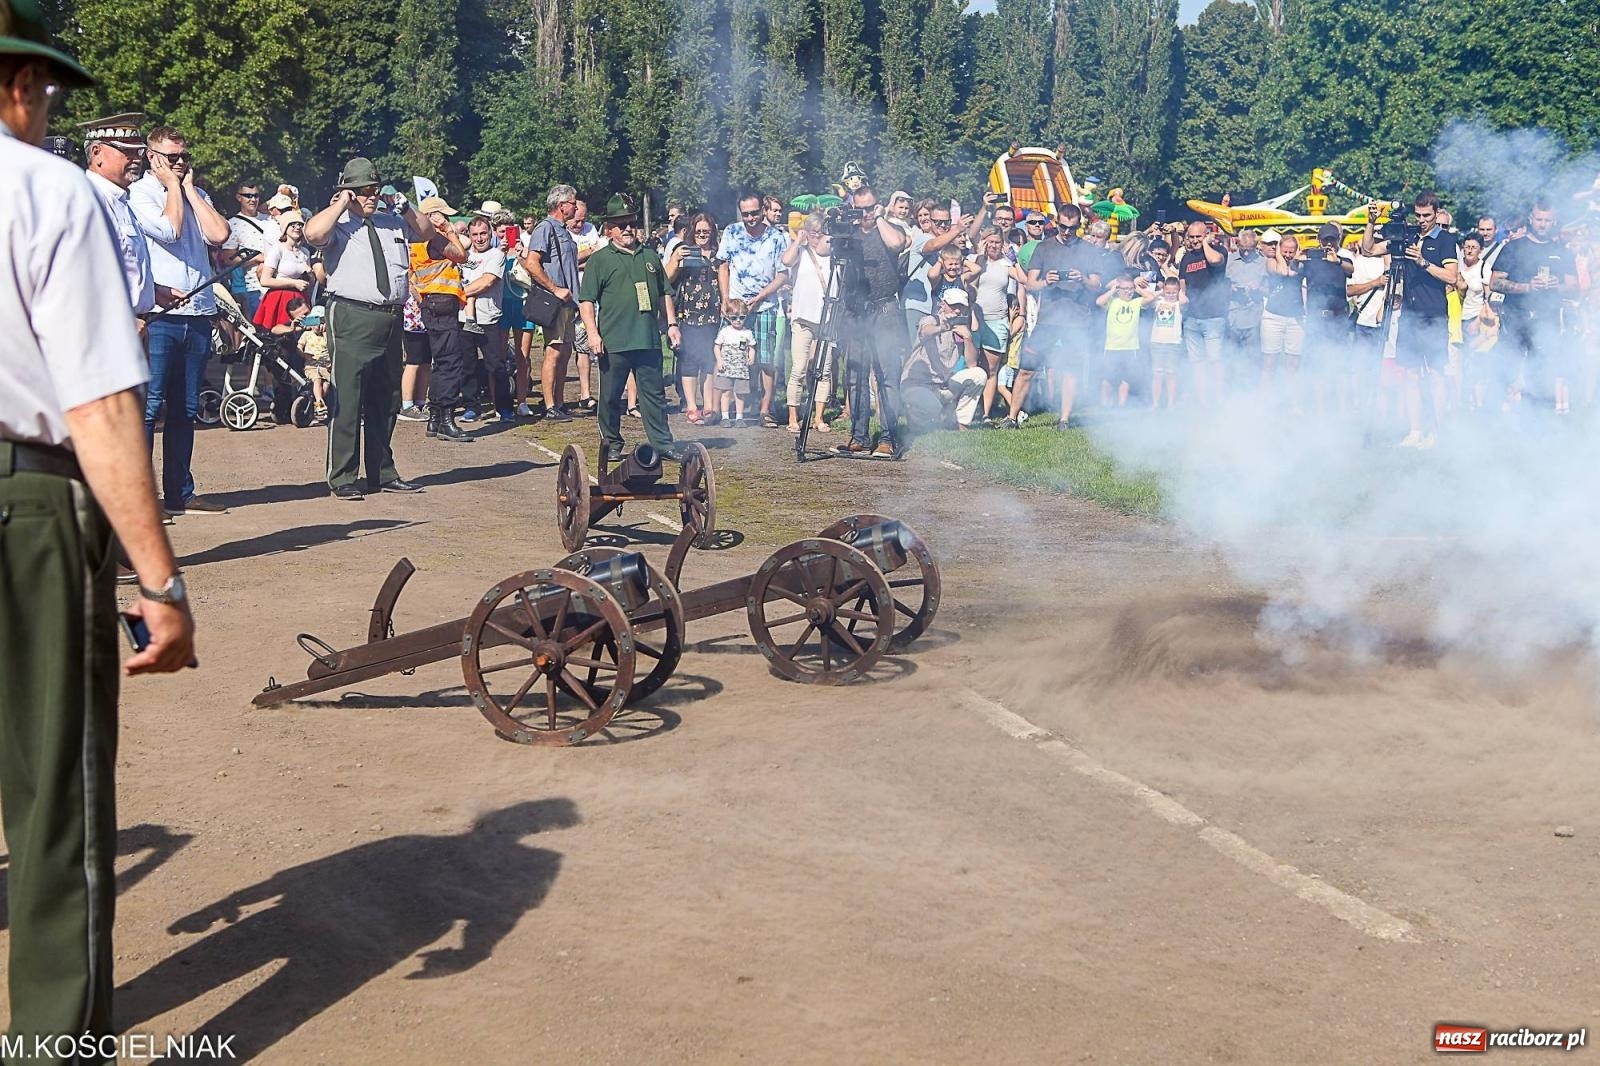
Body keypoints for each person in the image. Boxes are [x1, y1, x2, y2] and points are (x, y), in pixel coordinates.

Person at [1, 14, 197, 1056]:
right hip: (26, 498)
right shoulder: (45, 189)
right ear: (23, 81)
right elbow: (100, 404)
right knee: (51, 802)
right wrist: (160, 583)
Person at [303, 156, 432, 499]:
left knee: (386, 398)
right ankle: (343, 477)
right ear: (348, 191)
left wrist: (404, 207)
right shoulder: (338, 224)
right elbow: (312, 233)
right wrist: (343, 201)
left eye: (373, 188)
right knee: (348, 397)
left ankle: (381, 472)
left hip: (390, 317)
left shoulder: (392, 222)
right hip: (351, 315)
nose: (370, 195)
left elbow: (427, 232)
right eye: (362, 190)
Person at [129, 124, 234, 516]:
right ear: (152, 158)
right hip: (160, 315)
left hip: (198, 312)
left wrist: (188, 189)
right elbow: (169, 232)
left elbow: (220, 234)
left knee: (186, 408)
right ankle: (142, 497)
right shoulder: (138, 195)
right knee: (150, 408)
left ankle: (180, 492)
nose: (180, 163)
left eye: (184, 156)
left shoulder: (196, 192)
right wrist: (172, 187)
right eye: (172, 157)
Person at [577, 194, 682, 460]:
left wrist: (671, 324)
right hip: (614, 341)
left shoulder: (650, 256)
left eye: (631, 222)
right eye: (621, 224)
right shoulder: (600, 260)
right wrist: (592, 333)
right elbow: (586, 300)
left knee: (655, 396)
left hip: (647, 338)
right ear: (609, 228)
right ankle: (611, 443)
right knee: (611, 397)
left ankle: (663, 443)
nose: (627, 228)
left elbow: (663, 293)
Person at [1361, 192, 1459, 447]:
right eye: (1418, 215)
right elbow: (1368, 250)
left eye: (1427, 215)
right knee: (1411, 374)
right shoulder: (1409, 235)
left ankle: (1437, 431)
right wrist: (1371, 222)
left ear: (1437, 214)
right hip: (1410, 315)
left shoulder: (1446, 239)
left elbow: (1451, 277)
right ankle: (1415, 430)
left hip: (1434, 314)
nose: (1422, 220)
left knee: (1436, 374)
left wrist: (1423, 261)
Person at [1009, 203, 1104, 430]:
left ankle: (1064, 419)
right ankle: (1011, 417)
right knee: (1026, 368)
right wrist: (1046, 281)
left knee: (1070, 369)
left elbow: (1097, 284)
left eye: (1072, 228)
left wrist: (1082, 278)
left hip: (1076, 321)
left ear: (1079, 226)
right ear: (1057, 224)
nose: (1067, 232)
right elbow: (1030, 283)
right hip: (1047, 320)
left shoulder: (1088, 250)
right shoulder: (1044, 247)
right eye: (1063, 227)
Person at [832, 184, 910, 458]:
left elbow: (897, 244)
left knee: (887, 376)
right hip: (855, 311)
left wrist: (878, 218)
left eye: (869, 207)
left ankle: (888, 437)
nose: (863, 213)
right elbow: (823, 249)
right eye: (860, 208)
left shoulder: (889, 229)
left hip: (884, 309)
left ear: (878, 206)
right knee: (855, 375)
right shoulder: (848, 233)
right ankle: (859, 436)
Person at [1492, 198, 1579, 412]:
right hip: (1515, 321)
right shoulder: (1513, 247)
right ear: (1531, 219)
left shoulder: (1562, 250)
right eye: (1539, 219)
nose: (1542, 224)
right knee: (1508, 371)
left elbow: (1574, 287)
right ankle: (1500, 422)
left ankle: (1539, 423)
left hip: (1546, 323)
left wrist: (1556, 286)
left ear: (1554, 221)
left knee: (1542, 373)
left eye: (1547, 220)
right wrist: (1527, 287)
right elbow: (1495, 282)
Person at [717, 192, 789, 427]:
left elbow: (782, 275)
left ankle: (765, 409)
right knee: (728, 356)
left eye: (755, 213)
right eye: (746, 214)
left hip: (765, 305)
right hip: (736, 307)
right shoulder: (731, 232)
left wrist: (761, 296)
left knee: (766, 361)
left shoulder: (777, 238)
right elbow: (723, 266)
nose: (750, 218)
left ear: (763, 210)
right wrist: (725, 298)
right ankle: (726, 410)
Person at [79, 112, 156, 324]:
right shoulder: (89, 199)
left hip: (134, 325)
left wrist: (154, 290)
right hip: (109, 327)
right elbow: (81, 275)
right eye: (127, 151)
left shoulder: (120, 200)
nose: (137, 158)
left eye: (139, 151)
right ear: (97, 153)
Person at [407, 195, 473, 436]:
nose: (447, 218)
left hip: (430, 302)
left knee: (440, 361)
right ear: (433, 216)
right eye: (443, 214)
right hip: (442, 301)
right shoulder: (433, 236)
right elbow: (461, 255)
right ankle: (446, 417)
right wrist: (448, 229)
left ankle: (435, 418)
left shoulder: (414, 239)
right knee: (450, 362)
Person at [520, 184, 581, 420]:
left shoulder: (563, 230)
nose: (576, 207)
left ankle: (559, 400)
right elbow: (532, 263)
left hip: (568, 302)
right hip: (555, 302)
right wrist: (555, 289)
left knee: (565, 351)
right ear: (562, 205)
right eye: (573, 203)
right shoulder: (545, 229)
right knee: (554, 351)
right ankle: (549, 406)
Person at [781, 213, 837, 435]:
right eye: (813, 233)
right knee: (799, 369)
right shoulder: (801, 253)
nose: (816, 238)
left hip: (827, 319)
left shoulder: (833, 255)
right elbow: (786, 261)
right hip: (803, 318)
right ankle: (793, 416)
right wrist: (798, 240)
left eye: (820, 233)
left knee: (823, 371)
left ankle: (819, 417)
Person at [665, 211, 723, 424]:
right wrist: (676, 260)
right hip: (688, 314)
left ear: (712, 232)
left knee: (708, 360)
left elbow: (724, 280)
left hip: (712, 315)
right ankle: (690, 405)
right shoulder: (683, 250)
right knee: (689, 360)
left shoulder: (718, 254)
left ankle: (708, 405)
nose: (702, 235)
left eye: (706, 231)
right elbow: (667, 279)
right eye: (698, 231)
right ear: (691, 232)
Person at [906, 288, 988, 430]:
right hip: (917, 384)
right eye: (954, 306)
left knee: (979, 375)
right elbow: (925, 331)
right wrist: (942, 328)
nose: (957, 311)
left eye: (961, 307)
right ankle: (914, 416)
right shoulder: (930, 320)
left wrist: (968, 339)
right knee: (933, 408)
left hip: (942, 385)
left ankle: (961, 423)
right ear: (943, 304)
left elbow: (972, 364)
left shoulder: (962, 328)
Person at [460, 215, 513, 421]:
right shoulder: (463, 256)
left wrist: (460, 291)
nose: (479, 238)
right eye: (475, 234)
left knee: (496, 365)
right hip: (463, 317)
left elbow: (487, 282)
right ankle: (471, 406)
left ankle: (504, 408)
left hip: (488, 319)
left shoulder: (496, 255)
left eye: (483, 233)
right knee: (468, 365)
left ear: (490, 234)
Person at [1174, 220, 1230, 405]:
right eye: (1192, 237)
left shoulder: (1219, 251)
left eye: (1199, 236)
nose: (1195, 240)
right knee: (1196, 363)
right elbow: (1182, 285)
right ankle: (1203, 400)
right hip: (1192, 318)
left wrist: (1206, 242)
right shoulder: (1186, 259)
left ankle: (1220, 399)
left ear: (1205, 235)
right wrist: (1181, 297)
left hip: (1214, 316)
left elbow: (1214, 261)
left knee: (1215, 360)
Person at [1095, 271, 1156, 407]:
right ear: (1119, 290)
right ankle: (1106, 405)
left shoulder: (1136, 302)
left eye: (1130, 289)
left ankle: (1121, 405)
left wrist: (1137, 288)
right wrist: (1113, 290)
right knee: (1108, 377)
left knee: (1126, 378)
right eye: (1125, 289)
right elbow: (1099, 301)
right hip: (1112, 347)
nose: (1129, 292)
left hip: (1130, 347)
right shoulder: (1112, 302)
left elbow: (1151, 297)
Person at [1148, 274, 1186, 409]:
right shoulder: (1158, 302)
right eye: (1168, 292)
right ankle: (1155, 404)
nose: (1170, 295)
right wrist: (1160, 292)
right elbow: (1147, 299)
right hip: (1157, 342)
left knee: (1171, 373)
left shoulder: (1178, 304)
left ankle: (1171, 403)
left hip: (1173, 343)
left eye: (1173, 292)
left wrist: (1180, 290)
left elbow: (1184, 301)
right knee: (1157, 373)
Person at [715, 303, 755, 426]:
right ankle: (725, 417)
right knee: (725, 392)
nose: (738, 321)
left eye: (741, 318)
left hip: (741, 369)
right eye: (734, 318)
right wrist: (719, 361)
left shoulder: (747, 333)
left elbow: (751, 347)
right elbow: (717, 347)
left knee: (740, 393)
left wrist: (751, 357)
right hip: (726, 368)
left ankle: (739, 418)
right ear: (727, 317)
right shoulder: (724, 332)